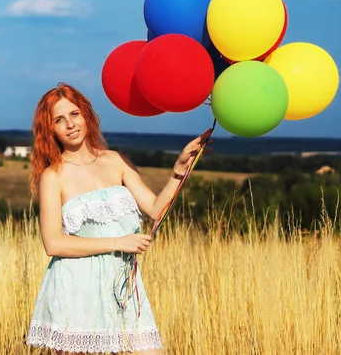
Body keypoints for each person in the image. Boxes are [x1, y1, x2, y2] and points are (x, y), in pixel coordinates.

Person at [25, 82, 213, 354]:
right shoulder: (53, 176)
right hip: (76, 288)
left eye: (74, 114)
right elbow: (53, 244)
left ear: (86, 114)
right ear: (50, 129)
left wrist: (179, 169)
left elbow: (156, 209)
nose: (70, 124)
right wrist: (118, 242)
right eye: (59, 120)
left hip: (124, 285)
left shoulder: (116, 161)